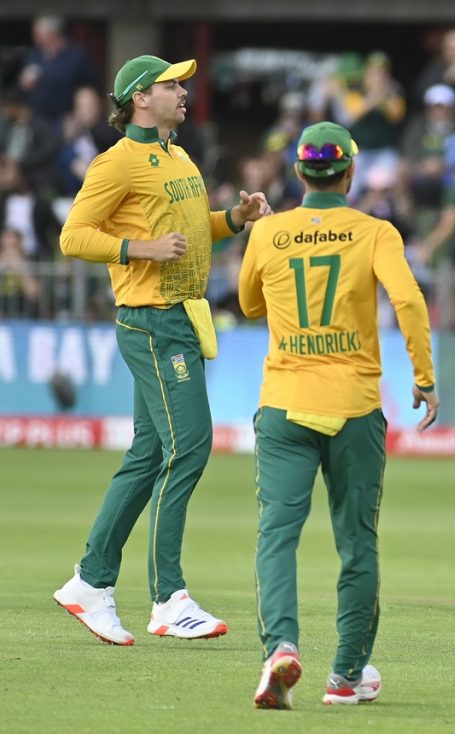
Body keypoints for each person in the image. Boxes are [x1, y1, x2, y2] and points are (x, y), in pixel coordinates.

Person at [53, 54, 271, 646]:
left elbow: (194, 227)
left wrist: (235, 218)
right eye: (172, 84)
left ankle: (90, 583)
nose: (183, 91)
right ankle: (168, 598)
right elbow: (73, 236)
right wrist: (138, 249)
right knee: (191, 445)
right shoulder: (117, 161)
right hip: (152, 321)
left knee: (149, 455)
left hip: (181, 318)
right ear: (139, 98)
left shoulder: (176, 154)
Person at [239, 121, 438, 709]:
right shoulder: (376, 231)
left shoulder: (268, 232)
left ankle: (280, 646)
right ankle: (346, 676)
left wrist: (270, 239)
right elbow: (408, 300)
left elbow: (250, 304)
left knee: (277, 536)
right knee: (357, 544)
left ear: (299, 174)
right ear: (350, 173)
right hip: (352, 408)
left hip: (283, 405)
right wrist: (424, 376)